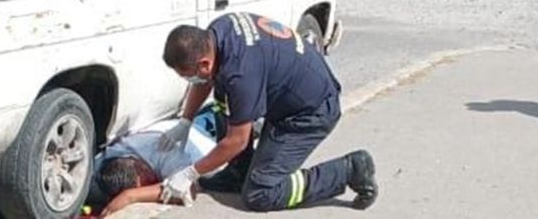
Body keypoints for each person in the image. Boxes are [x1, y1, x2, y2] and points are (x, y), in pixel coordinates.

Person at [157, 13, 378, 212]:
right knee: (223, 101)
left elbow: (238, 140)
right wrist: (185, 122)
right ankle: (239, 172)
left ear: (203, 63)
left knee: (260, 194)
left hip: (311, 113)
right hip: (290, 96)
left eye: (187, 75)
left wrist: (189, 173)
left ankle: (349, 170)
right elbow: (206, 79)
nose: (188, 81)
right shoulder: (216, 33)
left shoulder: (241, 74)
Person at [92, 110, 219, 215]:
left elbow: (187, 190)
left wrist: (130, 196)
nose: (150, 184)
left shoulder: (165, 153)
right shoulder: (108, 157)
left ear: (140, 167)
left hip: (206, 136)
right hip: (175, 124)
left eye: (146, 182)